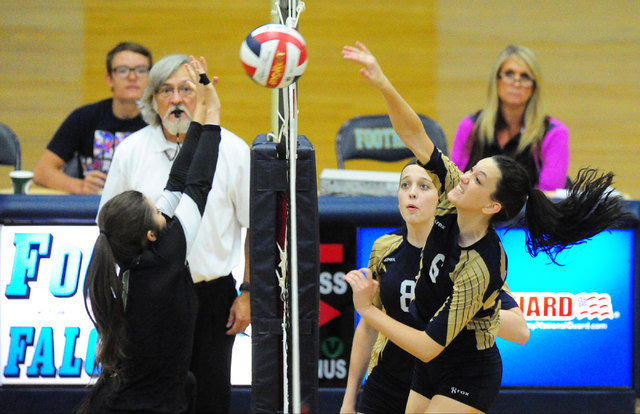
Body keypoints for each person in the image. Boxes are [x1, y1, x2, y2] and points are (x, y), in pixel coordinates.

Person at [342, 41, 632, 413]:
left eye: (476, 179)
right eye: (470, 170)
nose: (463, 178)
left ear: (492, 205)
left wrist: (368, 310)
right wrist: (383, 82)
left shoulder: (481, 264)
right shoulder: (450, 199)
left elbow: (429, 344)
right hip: (429, 366)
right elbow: (415, 137)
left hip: (466, 372)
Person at [99, 53, 251, 414]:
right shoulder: (175, 239)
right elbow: (196, 183)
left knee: (200, 393)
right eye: (167, 90)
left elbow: (179, 178)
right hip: (163, 314)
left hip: (205, 297)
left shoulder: (157, 239)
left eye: (186, 89)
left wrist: (248, 290)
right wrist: (211, 111)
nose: (177, 98)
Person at [340, 159, 529, 414]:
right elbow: (368, 324)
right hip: (388, 381)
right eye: (405, 185)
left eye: (424, 186)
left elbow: (520, 331)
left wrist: (453, 302)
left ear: (442, 198)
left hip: (442, 380)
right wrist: (349, 400)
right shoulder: (384, 247)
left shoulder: (463, 257)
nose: (412, 193)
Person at [33, 41, 152, 194]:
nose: (132, 76)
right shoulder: (84, 117)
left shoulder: (159, 121)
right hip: (92, 209)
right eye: (122, 70)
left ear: (150, 78)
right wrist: (79, 186)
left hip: (142, 210)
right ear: (109, 79)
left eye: (141, 70)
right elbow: (42, 171)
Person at [449, 45, 569, 195]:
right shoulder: (471, 127)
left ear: (534, 86)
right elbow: (454, 184)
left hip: (530, 217)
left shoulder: (554, 133)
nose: (516, 82)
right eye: (509, 74)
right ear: (497, 80)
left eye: (525, 76)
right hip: (475, 215)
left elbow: (550, 196)